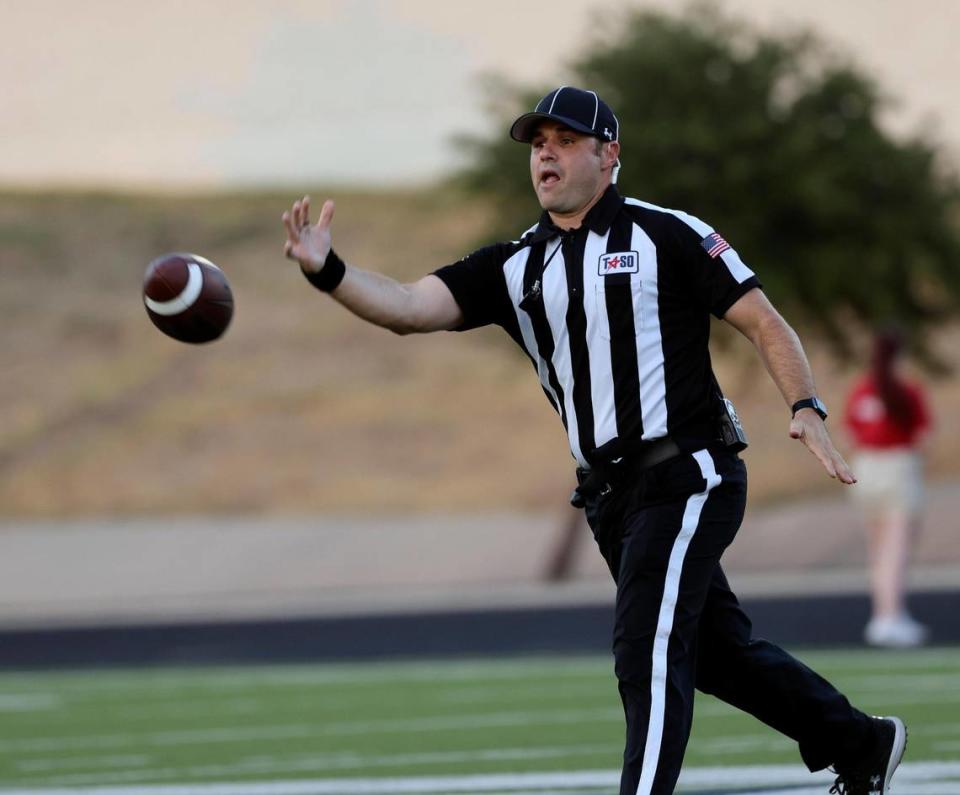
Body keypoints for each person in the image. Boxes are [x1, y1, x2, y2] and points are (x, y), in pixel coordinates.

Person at [281, 87, 906, 795]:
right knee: (718, 656)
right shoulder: (515, 266)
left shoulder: (666, 234)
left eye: (565, 138)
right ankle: (863, 743)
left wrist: (805, 404)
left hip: (689, 472)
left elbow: (765, 320)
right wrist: (328, 271)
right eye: (537, 141)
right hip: (613, 499)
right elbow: (407, 307)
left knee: (646, 648)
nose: (545, 151)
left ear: (609, 155)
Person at [844, 328, 932, 648]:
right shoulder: (907, 391)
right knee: (895, 551)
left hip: (865, 470)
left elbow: (850, 435)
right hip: (898, 468)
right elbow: (923, 440)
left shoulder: (861, 390)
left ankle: (885, 613)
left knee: (878, 550)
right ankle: (889, 616)